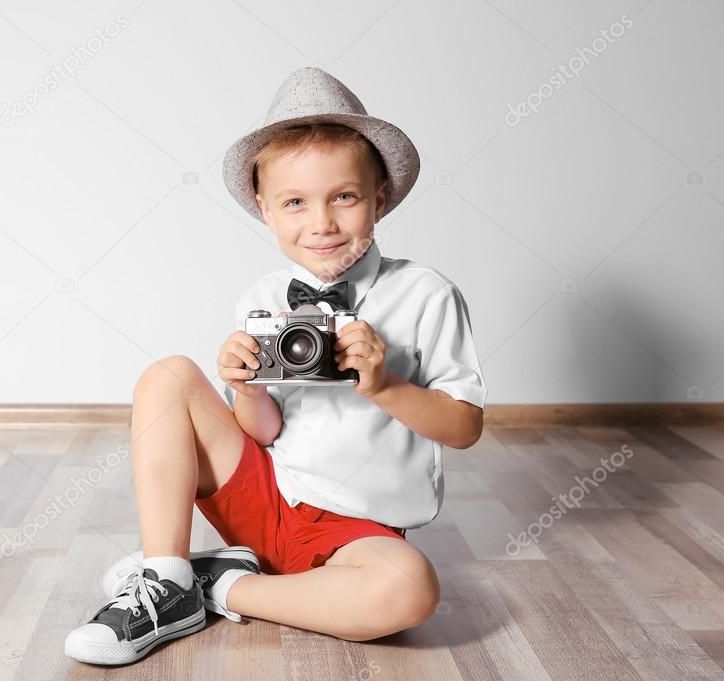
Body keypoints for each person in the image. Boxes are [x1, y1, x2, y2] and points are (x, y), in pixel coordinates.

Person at [65, 66, 488, 666]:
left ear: (380, 198)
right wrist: (247, 387)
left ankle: (216, 586)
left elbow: (465, 428)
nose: (321, 223)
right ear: (265, 209)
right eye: (295, 203)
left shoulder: (426, 295)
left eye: (344, 196)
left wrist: (386, 384)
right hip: (266, 498)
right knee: (169, 374)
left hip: (359, 533)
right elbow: (262, 432)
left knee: (409, 590)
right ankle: (164, 573)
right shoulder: (265, 299)